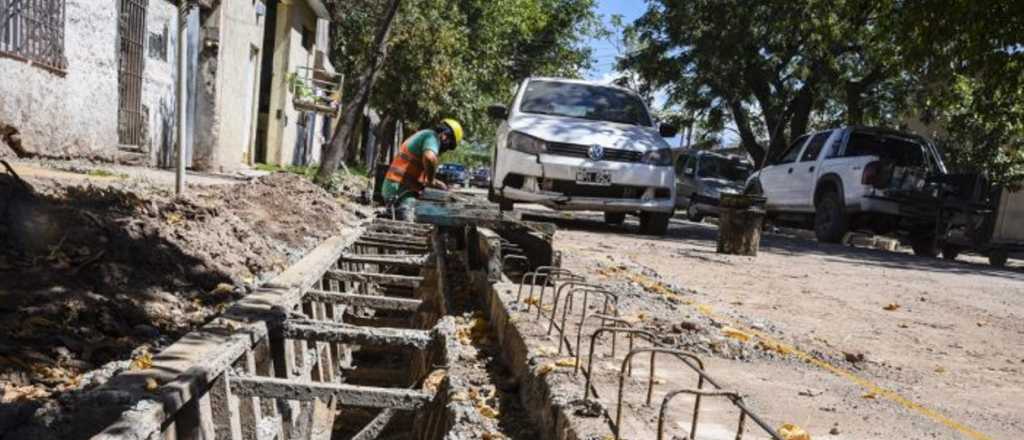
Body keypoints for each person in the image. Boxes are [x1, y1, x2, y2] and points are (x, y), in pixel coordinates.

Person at [381, 118, 463, 220]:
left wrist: (437, 183)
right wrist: (431, 180)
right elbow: (430, 158)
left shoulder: (423, 135)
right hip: (400, 191)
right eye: (449, 145)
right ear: (445, 136)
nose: (446, 149)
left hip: (398, 188)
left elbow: (416, 173)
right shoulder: (431, 137)